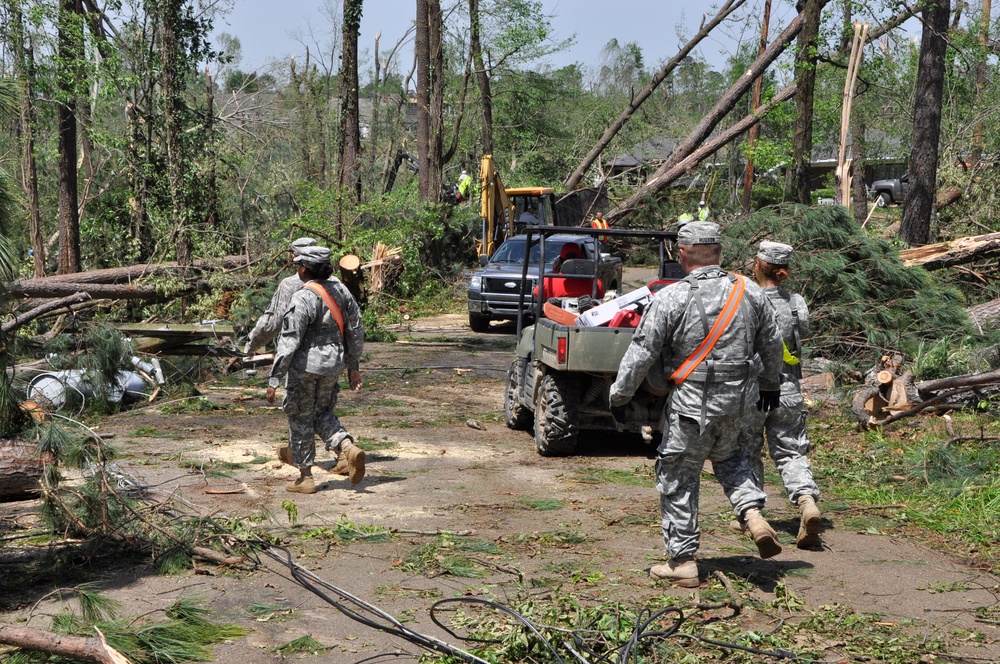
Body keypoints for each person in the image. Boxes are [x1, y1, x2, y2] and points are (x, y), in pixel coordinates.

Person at [609, 221, 784, 587]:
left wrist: (620, 396)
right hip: (741, 402)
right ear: (719, 252)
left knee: (678, 476)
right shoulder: (749, 290)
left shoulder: (671, 297)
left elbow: (643, 352)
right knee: (735, 461)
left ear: (682, 254)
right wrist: (770, 384)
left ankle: (683, 561)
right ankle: (751, 515)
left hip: (692, 407)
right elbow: (772, 340)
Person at [741, 241, 822, 549]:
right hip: (787, 388)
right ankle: (806, 501)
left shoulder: (744, 300)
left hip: (751, 388)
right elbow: (803, 333)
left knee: (747, 450)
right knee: (791, 451)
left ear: (758, 265)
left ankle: (753, 516)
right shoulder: (795, 303)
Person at [266, 246, 366, 493]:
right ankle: (346, 445)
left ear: (306, 268)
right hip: (334, 365)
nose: (297, 269)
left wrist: (275, 377)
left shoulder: (302, 297)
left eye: (299, 265)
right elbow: (355, 329)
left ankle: (305, 478)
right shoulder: (342, 291)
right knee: (321, 413)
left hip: (305, 367)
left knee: (300, 416)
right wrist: (353, 366)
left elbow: (289, 341)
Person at [245, 237, 317, 355]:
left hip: (302, 358)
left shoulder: (290, 284)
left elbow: (273, 323)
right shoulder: (336, 283)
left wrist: (250, 346)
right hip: (333, 358)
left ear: (294, 257)